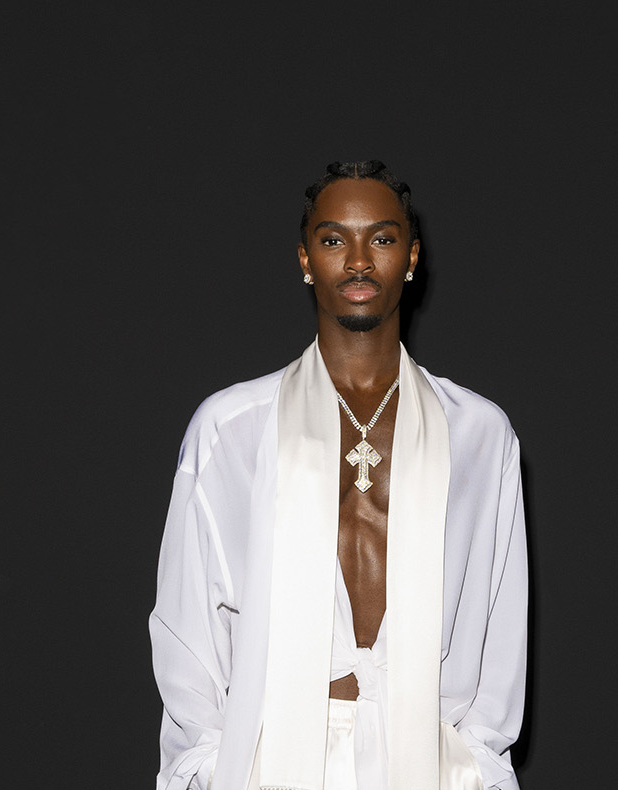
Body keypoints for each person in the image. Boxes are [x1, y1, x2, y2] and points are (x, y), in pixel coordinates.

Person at [150, 161, 528, 790]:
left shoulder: (480, 434)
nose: (358, 261)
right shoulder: (232, 428)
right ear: (305, 258)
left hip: (428, 767)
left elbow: (501, 629)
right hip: (271, 764)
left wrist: (478, 767)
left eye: (381, 238)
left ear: (411, 257)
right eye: (333, 240)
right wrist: (212, 769)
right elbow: (186, 631)